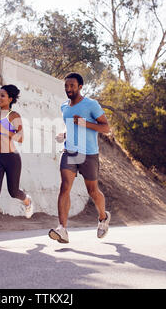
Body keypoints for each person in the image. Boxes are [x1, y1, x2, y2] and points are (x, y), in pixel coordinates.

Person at [49, 73, 111, 243]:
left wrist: (85, 123)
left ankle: (103, 217)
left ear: (80, 87)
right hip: (70, 151)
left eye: (72, 86)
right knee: (65, 187)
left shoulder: (91, 104)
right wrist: (65, 134)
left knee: (92, 191)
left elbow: (106, 128)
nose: (68, 89)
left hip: (89, 153)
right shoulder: (64, 107)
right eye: (66, 86)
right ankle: (62, 229)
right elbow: (72, 126)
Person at [0, 85, 33, 241]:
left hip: (11, 158)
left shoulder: (14, 115)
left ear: (10, 99)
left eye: (2, 95)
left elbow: (20, 138)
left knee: (13, 191)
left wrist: (2, 131)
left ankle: (27, 201)